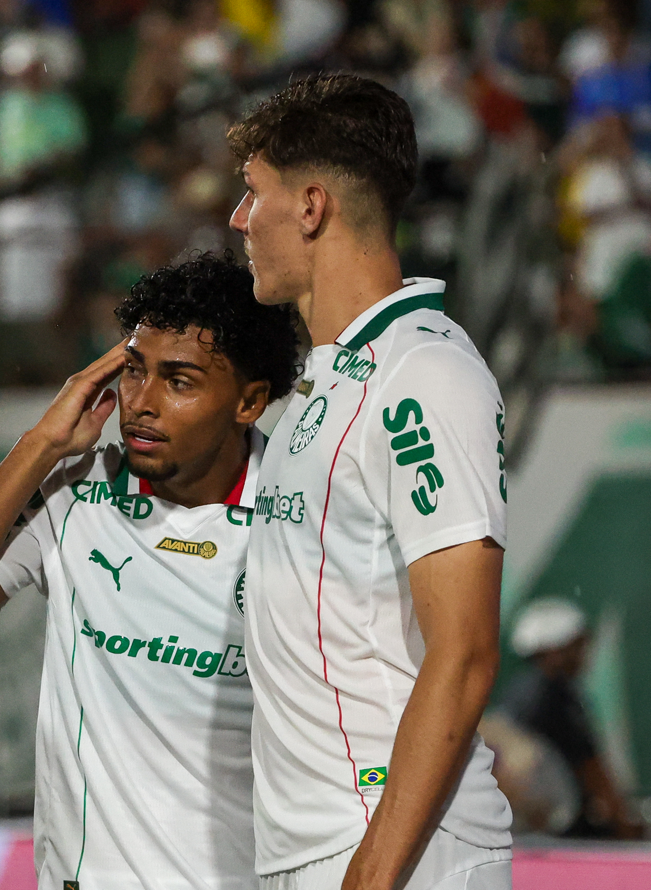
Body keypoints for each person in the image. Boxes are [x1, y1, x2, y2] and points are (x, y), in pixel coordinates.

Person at [0, 252, 302, 890]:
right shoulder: (79, 490)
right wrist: (40, 446)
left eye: (180, 381)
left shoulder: (301, 517)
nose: (142, 403)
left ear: (249, 402)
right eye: (134, 372)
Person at [228, 73, 514, 890]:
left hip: (395, 855)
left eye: (254, 194)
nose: (239, 221)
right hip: (317, 850)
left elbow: (463, 652)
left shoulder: (423, 372)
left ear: (312, 206)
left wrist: (371, 877)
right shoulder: (325, 383)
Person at [503, 597, 644, 839]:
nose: (584, 653)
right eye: (577, 645)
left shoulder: (519, 691)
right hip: (557, 835)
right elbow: (592, 771)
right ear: (555, 649)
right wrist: (627, 829)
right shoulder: (556, 696)